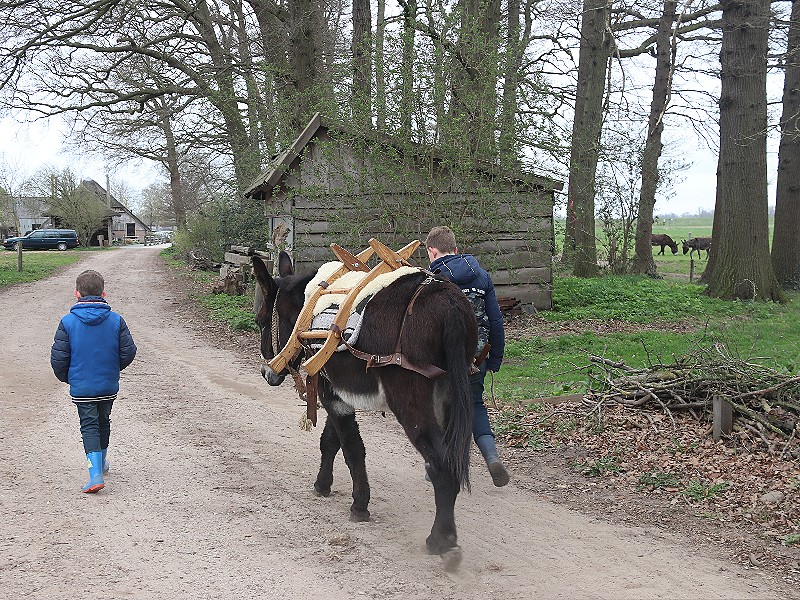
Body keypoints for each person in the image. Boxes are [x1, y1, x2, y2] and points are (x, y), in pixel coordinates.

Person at [425, 226, 509, 487]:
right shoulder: (481, 276)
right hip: (476, 357)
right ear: (456, 250)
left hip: (441, 359)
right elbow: (496, 321)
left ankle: (437, 464)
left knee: (438, 407)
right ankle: (492, 457)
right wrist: (494, 358)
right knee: (474, 405)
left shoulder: (431, 280)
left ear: (432, 251)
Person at [50, 270, 137, 493]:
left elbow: (59, 358)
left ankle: (95, 473)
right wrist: (113, 369)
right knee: (103, 421)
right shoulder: (116, 320)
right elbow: (128, 351)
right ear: (103, 294)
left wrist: (69, 378)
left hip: (82, 385)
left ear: (76, 293)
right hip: (108, 383)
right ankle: (102, 461)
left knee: (89, 425)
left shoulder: (68, 322)